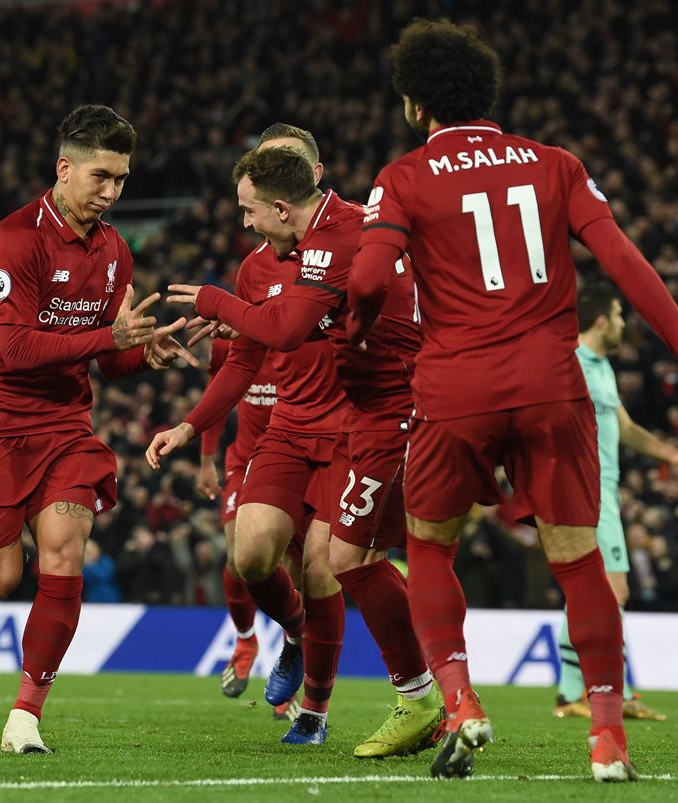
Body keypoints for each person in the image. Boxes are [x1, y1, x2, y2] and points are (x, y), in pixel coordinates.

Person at [337, 19, 678, 781]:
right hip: (554, 386)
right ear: (489, 94)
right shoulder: (556, 164)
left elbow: (365, 279)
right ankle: (608, 740)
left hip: (456, 387)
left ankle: (461, 702)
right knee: (580, 563)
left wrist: (355, 330)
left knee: (428, 546)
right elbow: (622, 257)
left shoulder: (405, 176)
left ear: (418, 104)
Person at [0, 104, 196, 754]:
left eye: (120, 179)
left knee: (65, 547)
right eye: (100, 176)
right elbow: (16, 350)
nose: (112, 192)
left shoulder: (115, 250)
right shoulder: (14, 239)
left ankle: (25, 715)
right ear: (64, 169)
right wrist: (108, 337)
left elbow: (108, 359)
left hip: (64, 424)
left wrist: (143, 352)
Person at [158, 135, 442, 753]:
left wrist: (216, 300)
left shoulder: (344, 235)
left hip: (355, 423)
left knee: (325, 565)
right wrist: (191, 426)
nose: (244, 221)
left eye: (249, 209)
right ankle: (295, 631)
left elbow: (283, 328)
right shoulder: (262, 261)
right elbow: (242, 359)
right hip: (289, 425)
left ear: (284, 202)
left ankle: (315, 709)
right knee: (251, 554)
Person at [554, 286, 678, 721]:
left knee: (595, 592)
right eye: (618, 315)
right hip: (584, 491)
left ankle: (578, 692)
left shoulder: (601, 368)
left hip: (606, 492)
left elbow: (627, 428)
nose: (622, 323)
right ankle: (602, 691)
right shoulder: (569, 364)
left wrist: (670, 454)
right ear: (601, 319)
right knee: (612, 590)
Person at [196, 335, 303, 720]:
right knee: (239, 558)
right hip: (244, 461)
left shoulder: (307, 332)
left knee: (294, 574)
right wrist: (207, 459)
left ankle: (288, 672)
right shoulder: (233, 336)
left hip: (297, 456)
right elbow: (219, 392)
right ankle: (245, 641)